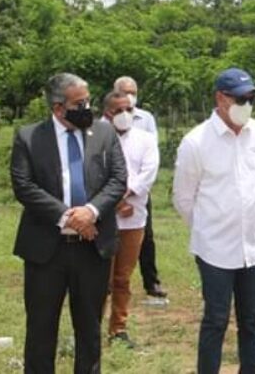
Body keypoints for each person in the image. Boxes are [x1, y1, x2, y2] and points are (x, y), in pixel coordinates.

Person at [11, 73, 127, 374]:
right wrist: (68, 217)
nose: (87, 107)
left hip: (92, 248)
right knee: (40, 329)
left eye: (88, 100)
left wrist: (90, 212)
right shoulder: (29, 137)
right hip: (46, 251)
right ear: (59, 107)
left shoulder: (104, 133)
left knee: (89, 329)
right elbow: (24, 186)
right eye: (80, 103)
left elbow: (118, 180)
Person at [172, 68, 255, 374]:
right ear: (220, 98)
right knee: (216, 319)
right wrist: (209, 227)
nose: (247, 104)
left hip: (253, 248)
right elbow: (183, 198)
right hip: (215, 249)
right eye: (240, 98)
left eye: (251, 98)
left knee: (252, 320)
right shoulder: (196, 142)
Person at [100, 91, 159, 348]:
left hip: (133, 219)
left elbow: (147, 173)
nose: (124, 115)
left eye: (129, 109)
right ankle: (91, 326)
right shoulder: (95, 138)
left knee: (123, 278)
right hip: (102, 219)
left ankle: (118, 329)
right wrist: (113, 203)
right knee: (100, 278)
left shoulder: (145, 140)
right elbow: (93, 175)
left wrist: (126, 196)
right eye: (118, 110)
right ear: (107, 113)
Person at [114, 76, 166, 299]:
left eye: (133, 92)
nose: (130, 96)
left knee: (146, 236)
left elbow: (150, 156)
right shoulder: (105, 122)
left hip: (139, 192)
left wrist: (132, 189)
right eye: (125, 92)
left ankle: (151, 281)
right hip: (110, 193)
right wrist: (116, 193)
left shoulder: (146, 118)